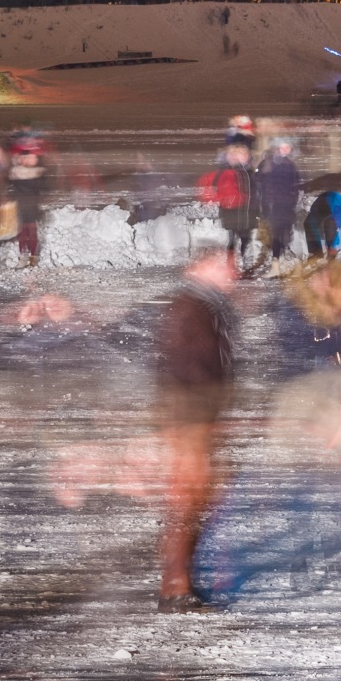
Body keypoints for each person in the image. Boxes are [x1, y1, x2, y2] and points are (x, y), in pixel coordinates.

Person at [154, 250, 237, 612]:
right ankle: (175, 585)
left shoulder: (205, 306)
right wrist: (204, 415)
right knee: (188, 501)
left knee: (196, 500)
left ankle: (179, 581)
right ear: (198, 268)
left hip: (196, 419)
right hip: (192, 419)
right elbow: (187, 368)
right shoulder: (192, 307)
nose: (232, 272)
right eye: (222, 265)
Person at [200, 143, 254, 262]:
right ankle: (233, 263)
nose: (238, 157)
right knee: (234, 237)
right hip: (232, 210)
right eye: (234, 155)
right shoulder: (227, 171)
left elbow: (253, 189)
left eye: (242, 155)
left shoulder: (247, 171)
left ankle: (240, 261)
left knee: (244, 237)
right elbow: (216, 186)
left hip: (245, 210)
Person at [257, 138, 302, 260]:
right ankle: (275, 256)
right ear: (277, 148)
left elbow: (295, 183)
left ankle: (281, 250)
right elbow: (262, 181)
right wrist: (266, 199)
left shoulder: (290, 164)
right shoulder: (270, 163)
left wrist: (294, 198)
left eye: (287, 147)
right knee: (275, 228)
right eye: (282, 147)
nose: (285, 150)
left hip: (287, 203)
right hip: (274, 202)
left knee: (286, 227)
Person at [8, 129, 47, 264]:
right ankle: (26, 257)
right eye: (29, 158)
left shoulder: (36, 173)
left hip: (29, 207)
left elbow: (43, 189)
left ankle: (31, 257)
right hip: (23, 206)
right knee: (24, 232)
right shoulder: (18, 173)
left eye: (33, 158)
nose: (33, 160)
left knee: (30, 232)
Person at [303, 186, 341, 258]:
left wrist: (335, 247)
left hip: (322, 204)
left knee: (325, 224)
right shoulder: (337, 205)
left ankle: (322, 253)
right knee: (312, 224)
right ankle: (318, 253)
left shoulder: (337, 206)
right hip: (323, 204)